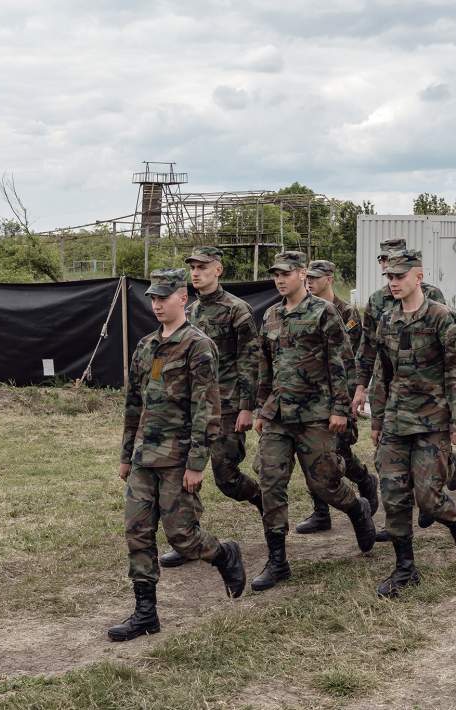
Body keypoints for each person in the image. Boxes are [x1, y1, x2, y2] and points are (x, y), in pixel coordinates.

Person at [111, 268, 246, 642]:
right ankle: (146, 614)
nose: (156, 304)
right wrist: (126, 455)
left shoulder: (198, 346)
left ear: (182, 298)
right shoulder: (146, 346)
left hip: (178, 458)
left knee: (182, 537)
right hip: (144, 458)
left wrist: (197, 463)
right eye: (153, 298)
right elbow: (133, 405)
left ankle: (224, 554)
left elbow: (207, 409)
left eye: (163, 297)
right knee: (137, 532)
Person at [251, 251, 376, 592]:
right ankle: (278, 560)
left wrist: (340, 409)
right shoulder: (271, 315)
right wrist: (262, 408)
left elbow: (341, 363)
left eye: (286, 274)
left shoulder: (324, 312)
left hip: (315, 414)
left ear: (302, 274)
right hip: (279, 416)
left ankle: (357, 509)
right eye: (276, 274)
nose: (280, 280)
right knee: (270, 482)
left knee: (325, 483)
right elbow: (265, 366)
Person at [368, 250, 456, 596]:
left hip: (433, 421)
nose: (394, 282)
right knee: (393, 495)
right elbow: (382, 372)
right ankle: (405, 568)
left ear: (418, 276)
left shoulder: (440, 317)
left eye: (400, 276)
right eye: (390, 277)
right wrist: (377, 419)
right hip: (396, 421)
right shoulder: (387, 320)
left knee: (428, 499)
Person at [157, 247, 263, 571]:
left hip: (227, 405)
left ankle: (263, 499)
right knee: (185, 473)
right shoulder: (189, 310)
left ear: (218, 269)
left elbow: (250, 360)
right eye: (192, 267)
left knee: (226, 478)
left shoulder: (237, 310)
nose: (196, 273)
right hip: (191, 407)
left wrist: (247, 407)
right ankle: (189, 538)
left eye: (202, 267)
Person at [301, 260, 380, 535]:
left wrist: (352, 395)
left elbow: (353, 357)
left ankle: (365, 479)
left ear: (330, 278)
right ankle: (320, 512)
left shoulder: (347, 312)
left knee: (340, 453)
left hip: (339, 393)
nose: (310, 282)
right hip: (311, 396)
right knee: (312, 455)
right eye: (307, 278)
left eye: (315, 277)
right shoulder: (303, 309)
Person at [351, 238, 446, 419]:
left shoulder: (432, 295)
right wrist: (360, 387)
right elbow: (368, 347)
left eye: (391, 258)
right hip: (389, 386)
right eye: (383, 259)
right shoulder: (376, 300)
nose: (387, 264)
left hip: (427, 391)